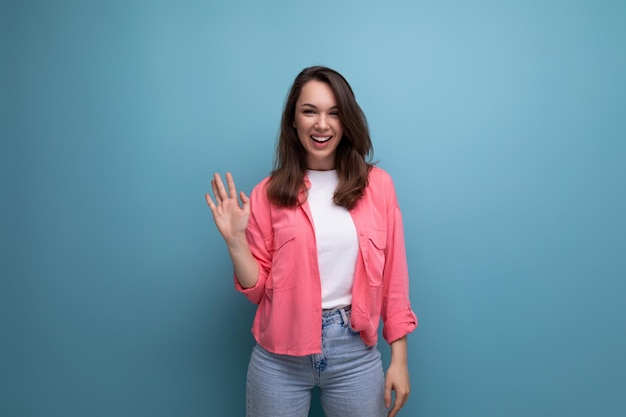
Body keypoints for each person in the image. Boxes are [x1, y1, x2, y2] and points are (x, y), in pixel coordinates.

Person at [205, 66, 417, 417]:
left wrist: (400, 359)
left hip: (354, 352)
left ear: (347, 121)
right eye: (309, 111)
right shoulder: (267, 194)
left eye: (334, 113)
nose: (322, 124)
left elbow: (395, 279)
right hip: (279, 357)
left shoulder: (377, 186)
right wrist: (235, 241)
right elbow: (257, 291)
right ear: (293, 120)